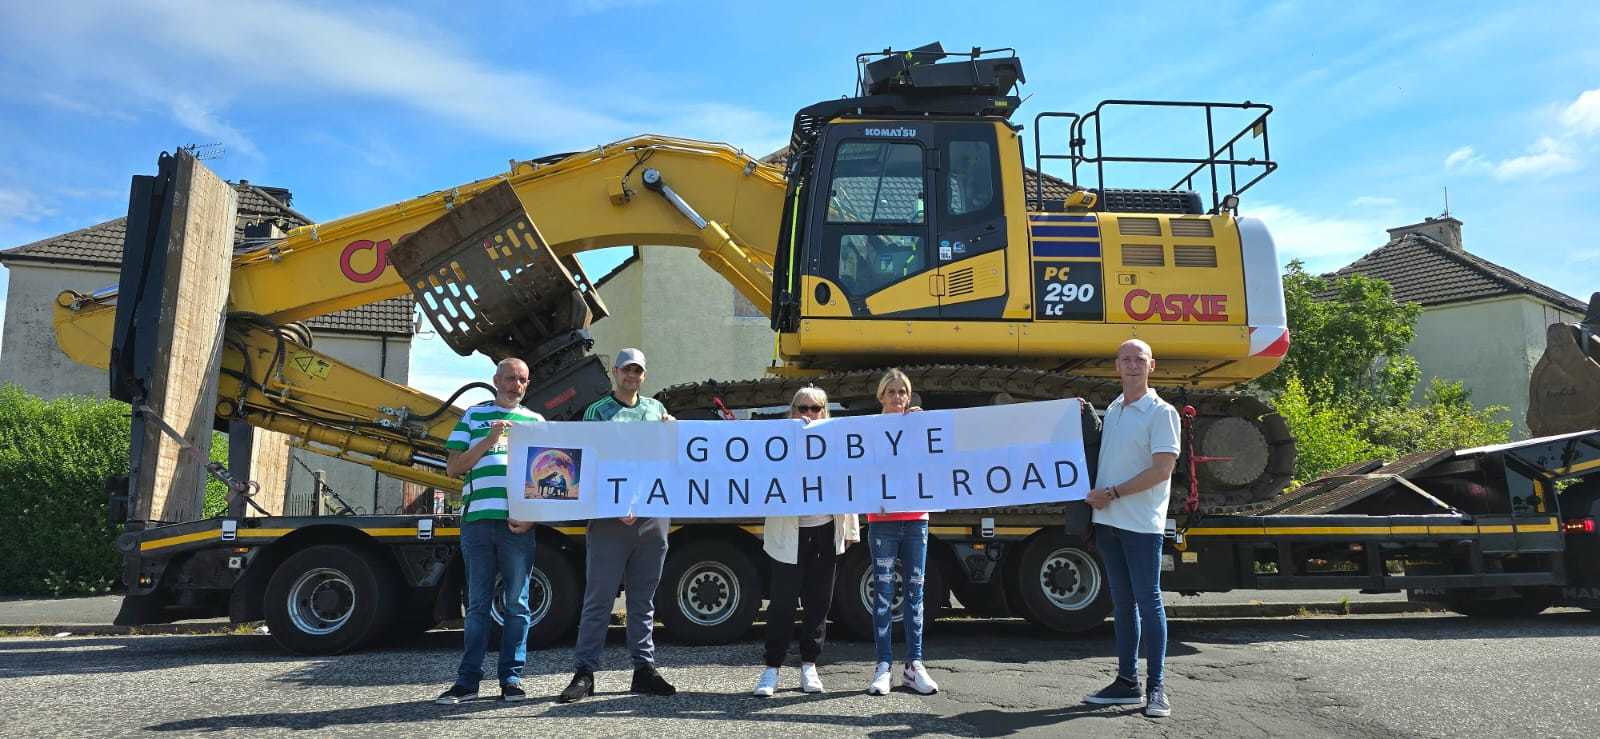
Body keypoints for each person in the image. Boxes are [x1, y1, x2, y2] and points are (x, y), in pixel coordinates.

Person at [559, 347, 678, 703]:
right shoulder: (597, 412)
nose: (632, 376)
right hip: (610, 517)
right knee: (599, 598)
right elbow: (589, 463)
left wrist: (673, 433)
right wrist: (614, 503)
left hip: (651, 515)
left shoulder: (657, 410)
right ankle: (585, 672)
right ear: (614, 372)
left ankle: (644, 669)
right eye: (626, 370)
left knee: (644, 600)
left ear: (644, 375)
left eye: (638, 371)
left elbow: (666, 459)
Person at [1081, 339, 1181, 718]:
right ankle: (1127, 682)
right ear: (1117, 366)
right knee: (1123, 605)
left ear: (1151, 365)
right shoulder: (1115, 409)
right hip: (1108, 521)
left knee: (1149, 601)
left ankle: (1156, 688)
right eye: (1126, 359)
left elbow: (1162, 469)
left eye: (1139, 359)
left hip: (1140, 524)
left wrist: (1115, 493)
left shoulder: (1161, 412)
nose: (1133, 365)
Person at [435, 358, 544, 705]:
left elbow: (552, 480)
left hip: (517, 526)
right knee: (479, 605)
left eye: (523, 380)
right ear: (496, 379)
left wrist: (532, 518)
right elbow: (454, 467)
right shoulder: (472, 416)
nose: (516, 385)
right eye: (511, 378)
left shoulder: (536, 422)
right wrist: (489, 440)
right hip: (478, 522)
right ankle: (467, 682)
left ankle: (512, 679)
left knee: (518, 604)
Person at [752, 386, 861, 697]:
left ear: (825, 412)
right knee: (782, 603)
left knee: (818, 602)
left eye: (816, 408)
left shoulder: (837, 444)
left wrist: (850, 530)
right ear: (792, 410)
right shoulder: (778, 445)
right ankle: (772, 667)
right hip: (789, 533)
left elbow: (848, 483)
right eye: (803, 408)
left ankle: (809, 665)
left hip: (825, 530)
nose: (809, 414)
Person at [864, 368, 939, 696]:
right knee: (883, 593)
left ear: (910, 396)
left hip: (916, 518)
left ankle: (915, 665)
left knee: (915, 593)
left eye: (903, 392)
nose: (897, 397)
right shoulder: (867, 429)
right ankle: (883, 665)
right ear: (881, 396)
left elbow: (938, 460)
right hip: (882, 521)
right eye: (891, 391)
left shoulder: (918, 427)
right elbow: (854, 468)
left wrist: (922, 427)